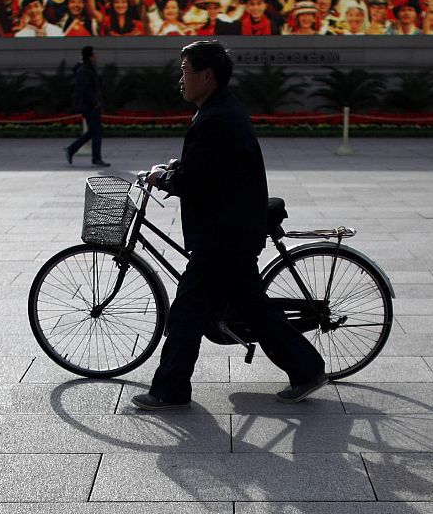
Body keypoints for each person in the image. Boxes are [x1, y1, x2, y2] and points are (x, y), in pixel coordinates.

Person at [132, 41, 329, 410]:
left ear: (206, 76)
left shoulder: (216, 119)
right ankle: (307, 369)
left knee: (188, 310)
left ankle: (170, 390)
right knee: (253, 307)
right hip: (234, 229)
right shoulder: (221, 110)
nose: (181, 78)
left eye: (185, 70)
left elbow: (197, 180)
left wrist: (166, 178)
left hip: (223, 235)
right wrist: (177, 168)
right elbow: (208, 169)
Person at [65, 45, 109, 167]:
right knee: (96, 132)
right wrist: (95, 102)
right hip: (89, 106)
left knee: (93, 131)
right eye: (95, 53)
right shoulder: (84, 70)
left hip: (91, 105)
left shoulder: (88, 68)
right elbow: (85, 89)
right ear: (90, 56)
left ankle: (72, 149)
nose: (97, 55)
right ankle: (96, 158)